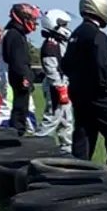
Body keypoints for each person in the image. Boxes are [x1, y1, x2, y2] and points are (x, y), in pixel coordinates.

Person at [67, 0, 107, 170]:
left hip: (78, 92)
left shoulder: (75, 34)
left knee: (84, 130)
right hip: (99, 94)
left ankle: (80, 165)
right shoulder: (97, 36)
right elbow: (102, 65)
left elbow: (65, 64)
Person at [35, 9, 76, 150]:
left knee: (66, 119)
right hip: (56, 85)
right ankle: (37, 143)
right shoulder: (50, 45)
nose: (66, 28)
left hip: (63, 82)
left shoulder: (60, 42)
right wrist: (60, 87)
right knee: (53, 117)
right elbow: (51, 68)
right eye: (63, 24)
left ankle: (66, 147)